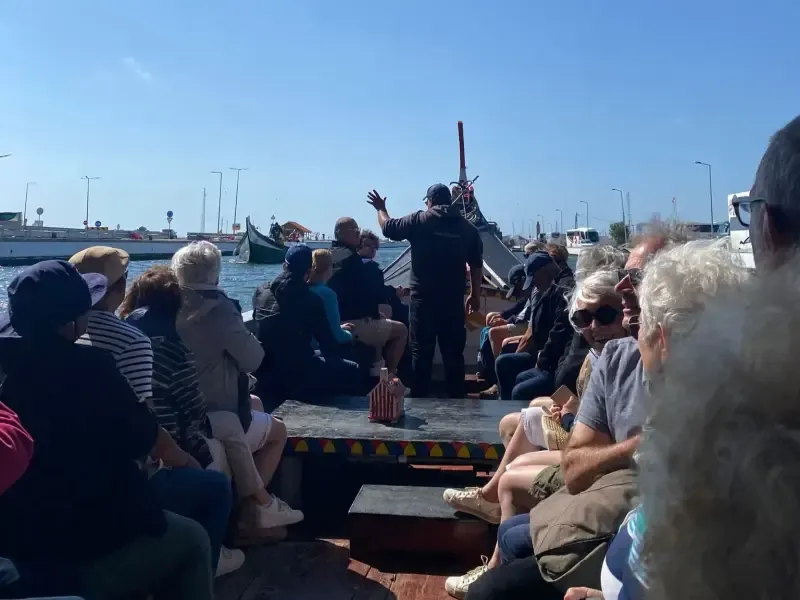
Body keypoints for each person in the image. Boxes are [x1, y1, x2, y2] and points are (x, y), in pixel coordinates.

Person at [0, 260, 214, 600]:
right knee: (193, 540)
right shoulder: (92, 367)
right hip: (85, 547)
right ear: (71, 322)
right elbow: (141, 439)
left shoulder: (7, 369)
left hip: (16, 542)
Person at [120, 266, 245, 576]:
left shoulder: (121, 333)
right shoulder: (171, 346)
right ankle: (210, 558)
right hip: (153, 456)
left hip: (128, 452)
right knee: (216, 477)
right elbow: (191, 413)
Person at [172, 241, 301, 534]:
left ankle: (248, 509)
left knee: (255, 402)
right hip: (211, 410)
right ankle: (251, 511)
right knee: (278, 432)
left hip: (182, 406)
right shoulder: (219, 310)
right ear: (215, 275)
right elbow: (253, 359)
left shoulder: (167, 305)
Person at [69, 247, 200, 470]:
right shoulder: (131, 341)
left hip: (71, 457)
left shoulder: (62, 332)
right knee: (215, 486)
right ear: (120, 287)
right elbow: (145, 430)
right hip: (121, 469)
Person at [367, 184, 483, 398]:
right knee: (453, 355)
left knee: (421, 353)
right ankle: (458, 400)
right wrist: (475, 295)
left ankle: (420, 399)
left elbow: (388, 227)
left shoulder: (420, 220)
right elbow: (476, 265)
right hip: (453, 302)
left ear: (429, 202)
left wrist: (380, 208)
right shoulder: (468, 229)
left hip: (424, 302)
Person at [253, 245, 364, 401]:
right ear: (309, 272)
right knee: (353, 367)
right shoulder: (311, 300)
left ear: (284, 265)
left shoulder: (261, 291)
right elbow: (329, 344)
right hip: (298, 374)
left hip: (265, 371)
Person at [327, 217, 407, 377]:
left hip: (333, 321)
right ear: (340, 234)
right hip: (351, 322)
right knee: (401, 330)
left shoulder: (328, 256)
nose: (358, 234)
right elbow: (370, 293)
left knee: (380, 319)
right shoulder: (351, 260)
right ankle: (390, 377)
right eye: (355, 232)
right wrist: (393, 293)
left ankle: (377, 368)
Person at [493, 252, 572, 400]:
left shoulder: (564, 289)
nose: (533, 283)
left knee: (520, 390)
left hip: (555, 363)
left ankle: (522, 418)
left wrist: (542, 360)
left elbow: (559, 331)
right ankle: (506, 412)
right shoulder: (550, 287)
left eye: (534, 278)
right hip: (543, 356)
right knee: (504, 363)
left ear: (543, 271)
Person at [308, 249, 355, 345]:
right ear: (329, 268)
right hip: (317, 350)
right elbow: (337, 336)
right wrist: (350, 334)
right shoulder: (328, 294)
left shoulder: (302, 289)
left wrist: (339, 327)